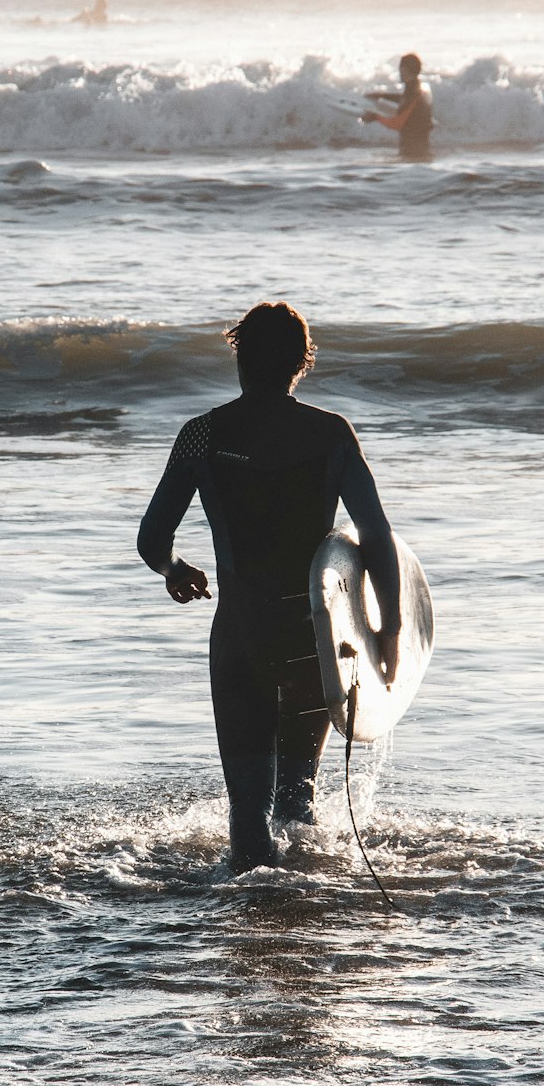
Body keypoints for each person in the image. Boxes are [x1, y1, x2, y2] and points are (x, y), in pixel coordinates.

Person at [137, 302, 401, 874]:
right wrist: (390, 627)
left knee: (247, 821)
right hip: (312, 639)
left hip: (240, 636)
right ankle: (302, 918)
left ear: (240, 357)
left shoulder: (200, 435)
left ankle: (248, 921)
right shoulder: (331, 434)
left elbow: (151, 537)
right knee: (296, 806)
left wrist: (174, 570)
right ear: (301, 364)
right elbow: (376, 533)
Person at [362, 53, 433, 160]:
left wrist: (376, 117)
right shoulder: (421, 88)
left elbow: (398, 124)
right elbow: (407, 102)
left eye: (400, 68)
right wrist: (383, 96)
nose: (399, 72)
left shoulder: (413, 92)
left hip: (413, 154)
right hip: (421, 151)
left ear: (404, 69)